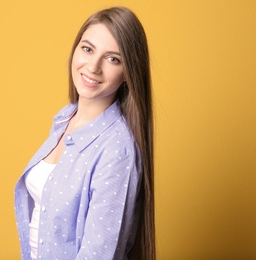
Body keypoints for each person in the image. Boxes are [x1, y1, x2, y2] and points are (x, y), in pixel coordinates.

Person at [14, 6, 155, 260]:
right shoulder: (64, 119)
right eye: (88, 49)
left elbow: (98, 254)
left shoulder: (116, 149)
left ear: (128, 73)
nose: (93, 66)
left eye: (113, 59)